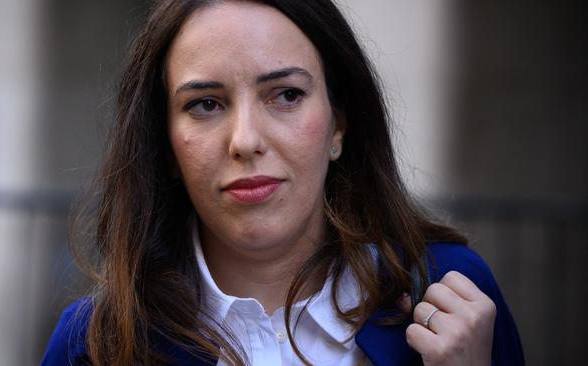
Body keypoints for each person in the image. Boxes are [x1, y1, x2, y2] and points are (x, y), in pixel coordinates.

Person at [42, 1, 524, 365]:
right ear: (165, 145)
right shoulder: (96, 342)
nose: (246, 140)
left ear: (338, 124)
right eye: (205, 104)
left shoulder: (454, 297)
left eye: (287, 95)